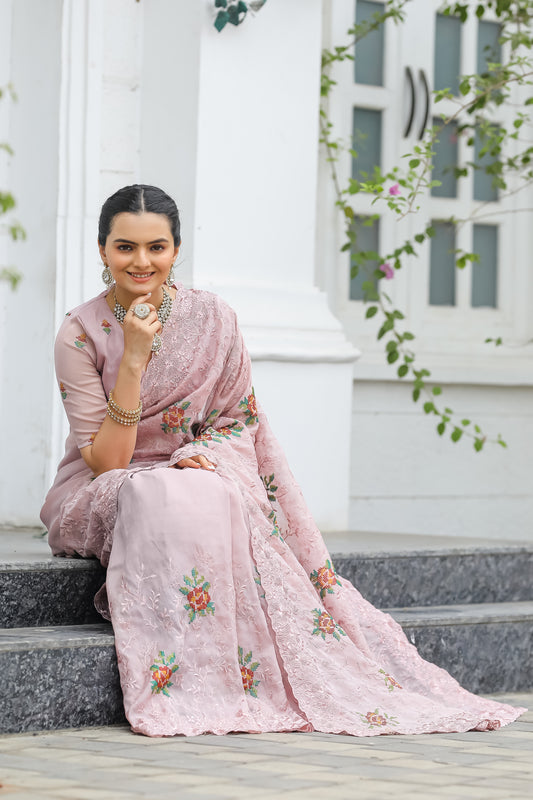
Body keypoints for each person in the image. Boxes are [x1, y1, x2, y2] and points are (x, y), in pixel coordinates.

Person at [41, 184, 525, 737]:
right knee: (158, 491)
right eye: (125, 247)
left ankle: (230, 680)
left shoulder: (213, 319)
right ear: (102, 250)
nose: (141, 261)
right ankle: (182, 680)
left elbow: (237, 421)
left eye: (157, 247)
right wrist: (133, 358)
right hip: (103, 484)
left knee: (194, 491)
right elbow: (108, 461)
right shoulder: (80, 333)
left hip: (196, 470)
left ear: (176, 250)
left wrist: (198, 454)